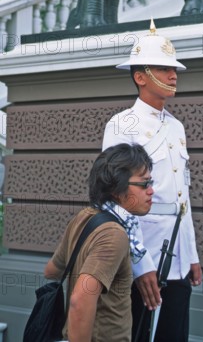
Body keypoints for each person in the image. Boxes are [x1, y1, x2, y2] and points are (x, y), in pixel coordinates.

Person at [102, 20, 202, 342]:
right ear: (140, 76)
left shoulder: (176, 127)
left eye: (175, 69)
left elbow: (182, 198)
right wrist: (140, 261)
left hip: (178, 252)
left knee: (175, 334)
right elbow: (115, 200)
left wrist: (192, 255)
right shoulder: (121, 125)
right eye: (164, 68)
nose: (174, 75)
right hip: (145, 257)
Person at [44, 143, 154, 342]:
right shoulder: (115, 234)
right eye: (144, 183)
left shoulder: (85, 217)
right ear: (116, 188)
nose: (151, 191)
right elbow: (80, 300)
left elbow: (52, 270)